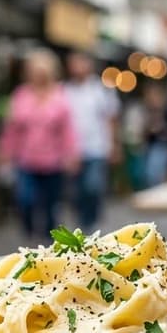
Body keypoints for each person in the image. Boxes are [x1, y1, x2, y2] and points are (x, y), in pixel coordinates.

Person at [0, 49, 78, 242]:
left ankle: (49, 245)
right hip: (27, 160)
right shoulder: (21, 95)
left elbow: (67, 130)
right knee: (25, 200)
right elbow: (12, 128)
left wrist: (71, 154)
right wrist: (5, 152)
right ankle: (29, 232)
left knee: (51, 206)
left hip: (53, 161)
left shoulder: (60, 96)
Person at [62, 53, 119, 230]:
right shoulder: (64, 90)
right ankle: (82, 222)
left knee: (93, 187)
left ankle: (91, 221)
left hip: (96, 148)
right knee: (76, 192)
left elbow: (111, 118)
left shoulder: (100, 89)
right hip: (73, 150)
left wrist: (113, 145)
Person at [141, 83, 167, 187]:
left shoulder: (165, 111)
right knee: (150, 174)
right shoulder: (147, 111)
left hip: (161, 144)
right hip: (150, 144)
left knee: (156, 173)